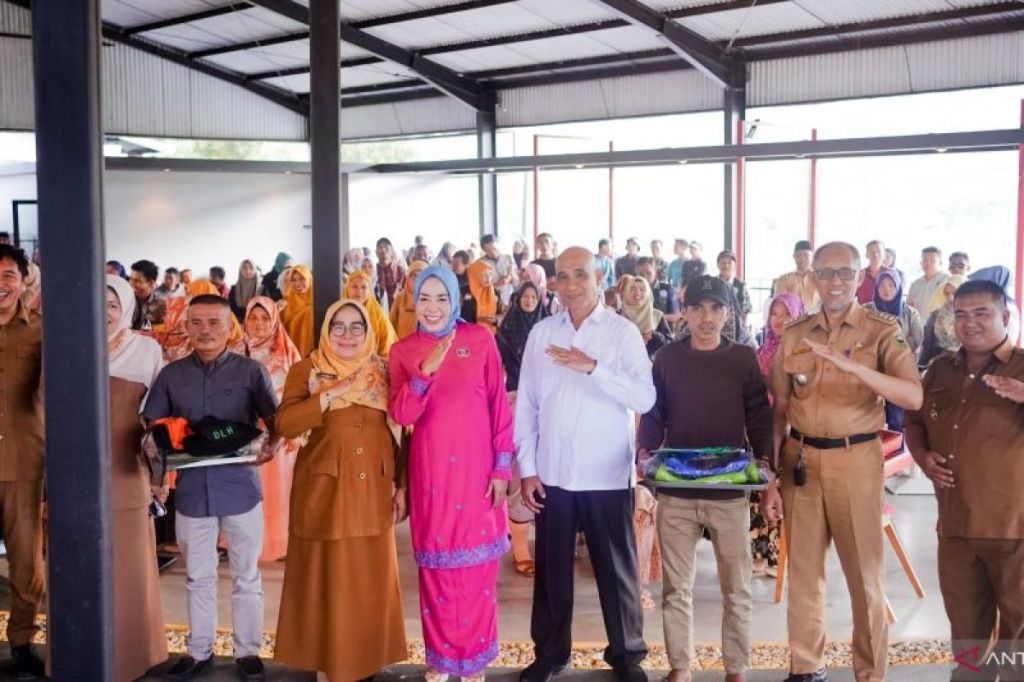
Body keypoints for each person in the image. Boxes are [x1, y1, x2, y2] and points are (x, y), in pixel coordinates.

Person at [761, 242, 923, 682]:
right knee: (805, 576)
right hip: (801, 461)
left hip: (856, 461)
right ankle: (806, 668)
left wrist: (857, 371)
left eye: (845, 273)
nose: (835, 282)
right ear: (812, 276)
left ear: (859, 278)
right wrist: (772, 476)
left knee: (865, 578)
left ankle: (869, 672)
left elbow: (913, 395)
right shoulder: (796, 333)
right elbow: (778, 411)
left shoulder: (881, 330)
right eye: (827, 273)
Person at [516, 246, 655, 682]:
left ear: (599, 279)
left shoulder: (621, 333)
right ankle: (552, 653)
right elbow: (527, 407)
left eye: (581, 275)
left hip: (605, 472)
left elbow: (644, 398)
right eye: (562, 277)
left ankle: (627, 656)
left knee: (616, 570)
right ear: (552, 283)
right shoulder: (541, 333)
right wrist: (527, 467)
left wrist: (593, 367)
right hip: (553, 471)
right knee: (552, 571)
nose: (571, 285)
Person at [638, 274, 773, 682]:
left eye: (715, 308)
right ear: (685, 313)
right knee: (676, 588)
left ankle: (737, 668)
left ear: (727, 313)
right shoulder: (667, 359)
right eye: (698, 308)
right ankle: (680, 666)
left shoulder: (743, 358)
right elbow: (653, 412)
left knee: (738, 588)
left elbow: (758, 414)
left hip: (729, 490)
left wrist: (766, 460)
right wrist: (645, 454)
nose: (707, 318)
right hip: (677, 490)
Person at [144, 294, 280, 682]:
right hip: (191, 492)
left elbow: (275, 419)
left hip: (241, 489)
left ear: (229, 326)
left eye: (215, 322)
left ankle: (248, 652)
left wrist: (271, 445)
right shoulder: (171, 375)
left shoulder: (252, 372)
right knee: (197, 576)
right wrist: (158, 480)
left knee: (246, 575)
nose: (206, 331)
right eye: (197, 322)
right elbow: (153, 431)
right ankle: (198, 650)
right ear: (186, 325)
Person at [388, 266, 515, 682]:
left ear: (457, 301)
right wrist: (425, 372)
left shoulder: (478, 339)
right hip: (432, 477)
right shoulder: (404, 351)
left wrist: (502, 467)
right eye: (425, 298)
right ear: (413, 302)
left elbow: (499, 405)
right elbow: (401, 413)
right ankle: (441, 660)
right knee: (438, 572)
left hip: (478, 473)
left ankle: (474, 660)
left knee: (477, 572)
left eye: (443, 298)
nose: (434, 308)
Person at [275, 300, 407, 682]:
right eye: (339, 326)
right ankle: (330, 663)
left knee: (369, 581)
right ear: (326, 330)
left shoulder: (383, 370)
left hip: (375, 490)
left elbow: (401, 431)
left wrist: (402, 485)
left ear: (369, 332)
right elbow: (284, 423)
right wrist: (334, 392)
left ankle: (366, 661)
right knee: (329, 583)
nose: (347, 335)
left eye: (356, 327)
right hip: (325, 494)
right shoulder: (309, 369)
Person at [905, 279, 1024, 682]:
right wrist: (921, 457)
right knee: (966, 636)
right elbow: (915, 421)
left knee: (1017, 642)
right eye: (960, 315)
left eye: (981, 314)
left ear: (1005, 317)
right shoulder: (940, 368)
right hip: (955, 527)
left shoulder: (1022, 366)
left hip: (1013, 529)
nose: (970, 323)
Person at [105, 275, 168, 682]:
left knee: (130, 563)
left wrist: (162, 476)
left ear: (126, 306)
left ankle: (132, 655)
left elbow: (157, 419)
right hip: (71, 471)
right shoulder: (66, 343)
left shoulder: (145, 350)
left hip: (126, 470)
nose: (104, 312)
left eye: (112, 304)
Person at [0, 245, 46, 679]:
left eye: (7, 275)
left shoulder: (40, 331)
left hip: (24, 463)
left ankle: (21, 642)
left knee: (27, 562)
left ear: (22, 280)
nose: (1, 285)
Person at [243, 296, 302, 563]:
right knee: (247, 491)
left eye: (265, 318)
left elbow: (301, 394)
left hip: (280, 434)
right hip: (245, 435)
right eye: (254, 318)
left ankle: (279, 544)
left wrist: (294, 430)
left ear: (275, 320)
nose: (259, 324)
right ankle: (244, 543)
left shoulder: (287, 352)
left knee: (278, 492)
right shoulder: (236, 351)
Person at [751, 292, 804, 576]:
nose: (780, 320)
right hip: (762, 428)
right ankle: (759, 554)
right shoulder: (763, 350)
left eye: (787, 314)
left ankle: (778, 558)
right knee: (760, 488)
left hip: (791, 430)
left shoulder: (804, 352)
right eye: (775, 313)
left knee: (782, 489)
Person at [865, 269, 923, 432]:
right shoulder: (866, 311)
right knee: (867, 411)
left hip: (899, 370)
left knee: (896, 415)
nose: (887, 289)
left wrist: (892, 352)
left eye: (891, 285)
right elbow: (860, 336)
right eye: (882, 286)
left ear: (899, 287)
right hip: (871, 368)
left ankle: (895, 445)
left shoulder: (910, 313)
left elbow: (916, 338)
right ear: (876, 288)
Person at [919, 275, 968, 369]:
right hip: (939, 362)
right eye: (947, 293)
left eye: (955, 293)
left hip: (966, 364)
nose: (951, 298)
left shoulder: (972, 316)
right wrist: (922, 366)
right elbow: (927, 344)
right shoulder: (936, 315)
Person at [345, 270, 397, 356]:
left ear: (369, 290)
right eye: (354, 286)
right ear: (347, 288)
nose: (359, 291)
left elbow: (387, 345)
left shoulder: (378, 314)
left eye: (364, 287)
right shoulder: (338, 312)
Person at [622, 277, 674, 358]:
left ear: (648, 293)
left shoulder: (657, 316)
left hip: (652, 366)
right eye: (632, 288)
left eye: (642, 289)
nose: (637, 292)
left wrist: (652, 333)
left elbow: (670, 346)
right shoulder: (619, 315)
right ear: (626, 292)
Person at [772, 240, 819, 312]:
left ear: (812, 256)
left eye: (806, 255)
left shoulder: (820, 278)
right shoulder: (783, 279)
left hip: (817, 319)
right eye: (798, 255)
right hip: (793, 320)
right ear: (794, 257)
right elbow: (779, 303)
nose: (802, 258)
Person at [281, 265, 315, 357]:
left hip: (314, 356)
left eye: (302, 279)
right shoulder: (284, 305)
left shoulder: (318, 305)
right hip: (291, 356)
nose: (297, 283)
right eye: (293, 280)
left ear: (309, 279)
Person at [390, 260, 428, 340]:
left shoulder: (432, 300)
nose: (418, 280)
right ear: (408, 279)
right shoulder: (400, 298)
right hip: (401, 346)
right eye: (414, 276)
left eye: (422, 277)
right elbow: (391, 324)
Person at [907, 246, 948, 317]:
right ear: (921, 263)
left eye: (932, 260)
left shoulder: (947, 281)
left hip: (941, 326)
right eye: (925, 260)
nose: (928, 263)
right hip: (918, 327)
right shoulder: (915, 284)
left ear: (940, 262)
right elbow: (909, 308)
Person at [717, 250, 751, 331]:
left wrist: (743, 328)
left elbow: (745, 309)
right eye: (723, 262)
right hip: (716, 326)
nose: (726, 265)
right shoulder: (712, 284)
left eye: (729, 262)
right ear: (718, 265)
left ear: (734, 265)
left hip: (736, 327)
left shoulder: (741, 286)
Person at [481, 234, 519, 307]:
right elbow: (482, 289)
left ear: (498, 245)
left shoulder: (508, 258)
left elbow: (516, 282)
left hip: (510, 300)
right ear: (484, 250)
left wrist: (512, 275)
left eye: (495, 249)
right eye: (489, 251)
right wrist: (497, 284)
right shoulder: (481, 263)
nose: (493, 253)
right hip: (492, 302)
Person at [638, 257, 680, 322]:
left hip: (662, 330)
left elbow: (676, 316)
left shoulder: (667, 289)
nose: (645, 277)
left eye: (649, 273)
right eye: (641, 274)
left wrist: (654, 317)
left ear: (656, 273)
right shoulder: (634, 290)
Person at [130, 259, 167, 331]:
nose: (131, 284)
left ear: (151, 283)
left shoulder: (161, 306)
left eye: (137, 281)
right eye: (131, 279)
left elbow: (161, 334)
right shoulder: (124, 301)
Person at [468, 259, 501, 333]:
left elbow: (501, 315)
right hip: (470, 335)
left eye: (490, 274)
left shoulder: (495, 293)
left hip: (490, 335)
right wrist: (477, 320)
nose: (488, 278)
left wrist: (495, 320)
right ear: (475, 275)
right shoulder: (465, 293)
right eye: (484, 275)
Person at [377, 238, 407, 309]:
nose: (383, 250)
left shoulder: (400, 270)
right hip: (377, 313)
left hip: (396, 312)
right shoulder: (373, 270)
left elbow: (407, 291)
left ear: (392, 251)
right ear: (376, 252)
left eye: (386, 247)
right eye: (380, 247)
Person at [855, 240, 886, 305]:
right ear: (866, 255)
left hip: (887, 314)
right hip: (864, 313)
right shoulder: (860, 275)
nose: (875, 255)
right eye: (872, 252)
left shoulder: (891, 275)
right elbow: (851, 296)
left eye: (879, 252)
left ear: (884, 254)